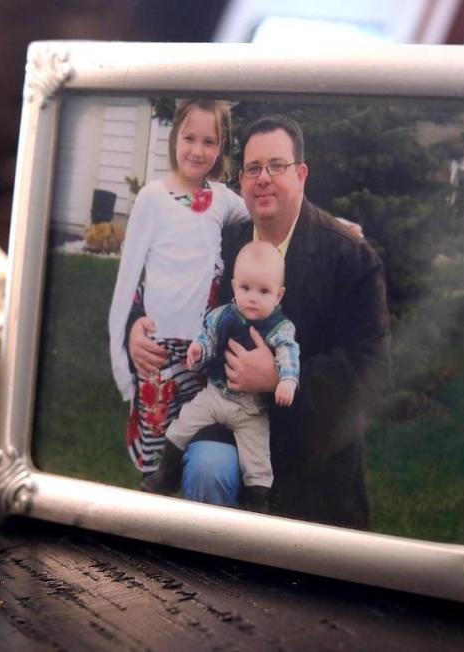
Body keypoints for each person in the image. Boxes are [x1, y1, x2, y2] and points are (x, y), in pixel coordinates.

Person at [131, 114, 390, 529]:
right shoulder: (224, 237)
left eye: (276, 166)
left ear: (301, 174)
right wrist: (136, 322)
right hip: (226, 420)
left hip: (309, 443)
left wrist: (277, 378)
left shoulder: (350, 258)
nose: (263, 178)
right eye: (253, 168)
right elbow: (167, 271)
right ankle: (206, 575)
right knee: (207, 468)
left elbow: (371, 371)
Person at [108, 99, 250, 479]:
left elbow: (267, 211)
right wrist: (123, 369)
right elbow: (126, 283)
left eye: (209, 141)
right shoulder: (152, 199)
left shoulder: (222, 198)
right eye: (189, 138)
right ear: (175, 138)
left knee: (187, 448)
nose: (198, 150)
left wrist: (337, 221)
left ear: (220, 147)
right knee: (154, 467)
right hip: (157, 352)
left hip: (200, 354)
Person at [142, 241, 300, 510]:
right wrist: (198, 351)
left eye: (264, 291)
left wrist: (286, 380)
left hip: (250, 410)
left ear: (279, 295)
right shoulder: (221, 316)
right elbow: (208, 338)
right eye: (245, 288)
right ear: (234, 285)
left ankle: (255, 504)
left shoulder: (279, 327)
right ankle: (167, 475)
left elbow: (288, 353)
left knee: (257, 462)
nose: (253, 297)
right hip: (215, 396)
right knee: (181, 425)